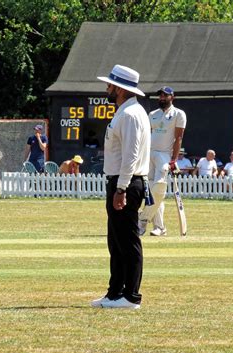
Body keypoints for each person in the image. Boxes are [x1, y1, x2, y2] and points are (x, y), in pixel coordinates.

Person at [91, 64, 150, 310]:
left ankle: (131, 296)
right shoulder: (126, 111)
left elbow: (131, 155)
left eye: (111, 84)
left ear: (120, 88)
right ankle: (115, 292)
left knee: (128, 241)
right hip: (120, 181)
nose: (107, 87)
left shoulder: (130, 114)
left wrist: (121, 189)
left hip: (126, 181)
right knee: (116, 241)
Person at [138, 86, 187, 237]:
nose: (162, 98)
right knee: (152, 189)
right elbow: (144, 136)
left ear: (172, 97)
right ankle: (160, 227)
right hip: (149, 154)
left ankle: (143, 219)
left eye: (165, 96)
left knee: (159, 186)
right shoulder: (152, 114)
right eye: (160, 96)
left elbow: (178, 138)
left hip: (165, 155)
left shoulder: (179, 114)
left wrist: (173, 159)